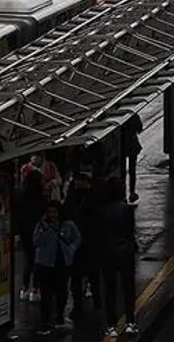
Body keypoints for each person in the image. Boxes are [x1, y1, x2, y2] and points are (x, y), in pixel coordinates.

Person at [98, 178, 139, 337]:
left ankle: (111, 325)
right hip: (125, 252)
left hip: (108, 252)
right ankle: (130, 321)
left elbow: (98, 234)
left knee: (110, 289)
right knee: (128, 288)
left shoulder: (101, 210)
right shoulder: (126, 210)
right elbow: (130, 231)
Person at [32, 201, 81, 334]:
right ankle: (45, 321)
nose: (52, 215)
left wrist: (71, 249)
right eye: (49, 212)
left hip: (62, 264)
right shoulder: (41, 226)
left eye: (54, 212)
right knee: (46, 294)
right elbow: (36, 241)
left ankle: (59, 317)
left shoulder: (68, 225)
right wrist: (45, 228)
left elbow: (77, 238)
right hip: (45, 264)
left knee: (62, 292)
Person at [63, 167, 103, 320]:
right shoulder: (71, 199)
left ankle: (97, 301)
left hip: (90, 242)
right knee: (76, 277)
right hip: (76, 244)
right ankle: (78, 305)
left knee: (92, 275)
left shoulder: (93, 198)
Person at [16, 168, 46, 302]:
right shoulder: (40, 197)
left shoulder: (21, 195)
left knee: (28, 259)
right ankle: (35, 288)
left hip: (24, 231)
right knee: (38, 260)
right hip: (38, 230)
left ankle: (24, 287)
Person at [120, 117, 142, 203]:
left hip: (121, 146)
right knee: (132, 170)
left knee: (122, 171)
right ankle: (132, 192)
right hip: (132, 145)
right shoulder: (133, 116)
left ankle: (122, 194)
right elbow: (139, 129)